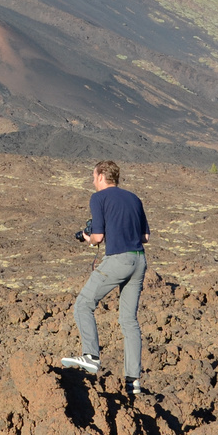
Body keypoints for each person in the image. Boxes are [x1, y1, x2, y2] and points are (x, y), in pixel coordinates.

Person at [61, 159, 150, 397]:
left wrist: (87, 238)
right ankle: (133, 382)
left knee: (83, 304)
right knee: (129, 321)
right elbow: (145, 236)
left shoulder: (98, 198)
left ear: (101, 176)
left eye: (93, 176)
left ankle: (90, 356)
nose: (92, 181)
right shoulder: (134, 199)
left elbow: (98, 237)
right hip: (139, 261)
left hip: (118, 260)